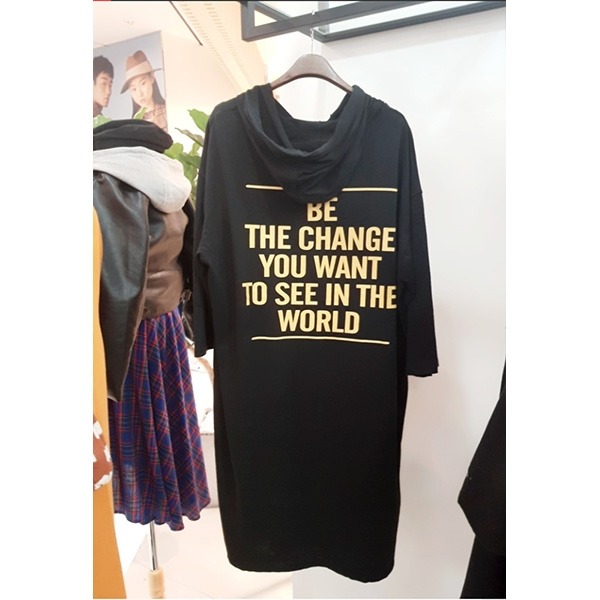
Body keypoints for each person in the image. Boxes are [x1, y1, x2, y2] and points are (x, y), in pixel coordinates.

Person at [93, 119, 210, 531]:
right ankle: (162, 497)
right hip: (164, 322)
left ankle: (135, 499)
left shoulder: (106, 183)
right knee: (160, 423)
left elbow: (118, 278)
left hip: (125, 328)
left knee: (131, 426)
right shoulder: (169, 180)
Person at [121, 50, 168, 131]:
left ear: (152, 78)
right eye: (134, 89)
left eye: (143, 83)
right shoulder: (132, 125)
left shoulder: (168, 112)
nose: (140, 94)